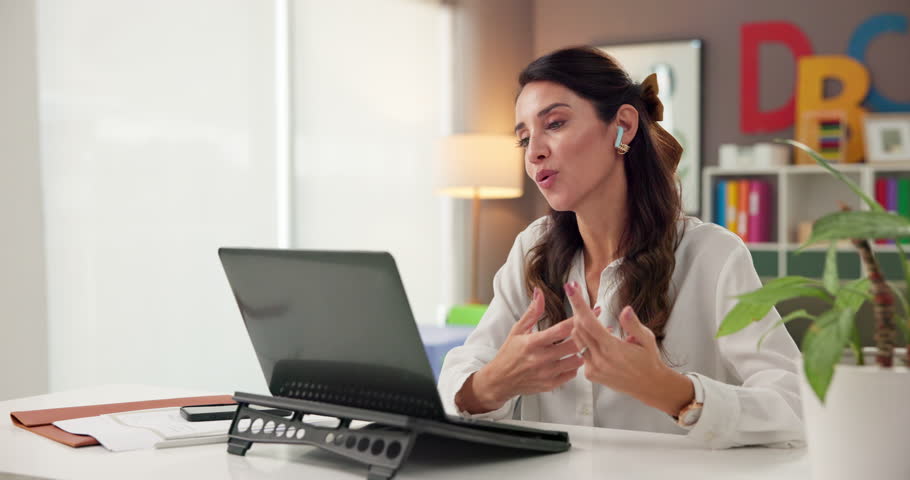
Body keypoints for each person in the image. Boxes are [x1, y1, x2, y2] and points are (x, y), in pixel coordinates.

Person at [437, 46, 804, 449]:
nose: (534, 152)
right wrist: (491, 384)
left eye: (555, 123)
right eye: (523, 139)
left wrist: (674, 393)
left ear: (623, 127)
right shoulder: (532, 249)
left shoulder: (711, 256)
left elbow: (795, 406)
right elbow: (460, 377)